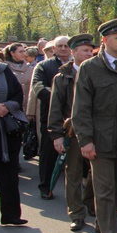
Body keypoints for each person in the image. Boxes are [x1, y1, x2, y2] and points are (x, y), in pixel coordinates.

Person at [72, 18, 117, 233]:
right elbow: (80, 109)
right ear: (105, 40)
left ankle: (102, 224)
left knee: (115, 188)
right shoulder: (90, 67)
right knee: (105, 190)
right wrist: (85, 140)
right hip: (99, 140)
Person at [48, 34, 97, 232]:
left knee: (98, 172)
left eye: (90, 50)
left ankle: (91, 203)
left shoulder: (98, 72)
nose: (88, 53)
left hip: (97, 131)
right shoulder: (62, 77)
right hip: (72, 132)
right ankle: (76, 213)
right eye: (84, 50)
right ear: (73, 52)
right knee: (74, 173)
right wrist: (56, 135)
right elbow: (55, 109)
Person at [0, 37, 28, 227]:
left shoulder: (5, 72)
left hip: (5, 131)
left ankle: (11, 215)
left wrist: (5, 106)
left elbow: (17, 95)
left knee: (9, 174)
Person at [32, 36, 71, 199]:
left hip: (74, 116)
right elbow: (38, 87)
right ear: (53, 49)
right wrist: (58, 98)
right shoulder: (43, 66)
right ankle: (45, 186)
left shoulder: (80, 65)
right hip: (51, 116)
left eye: (66, 46)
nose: (63, 48)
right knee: (48, 153)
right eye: (60, 46)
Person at [3, 43, 33, 114]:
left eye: (24, 51)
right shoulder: (5, 68)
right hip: (12, 107)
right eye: (20, 52)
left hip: (28, 106)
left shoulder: (31, 68)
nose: (23, 54)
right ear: (12, 53)